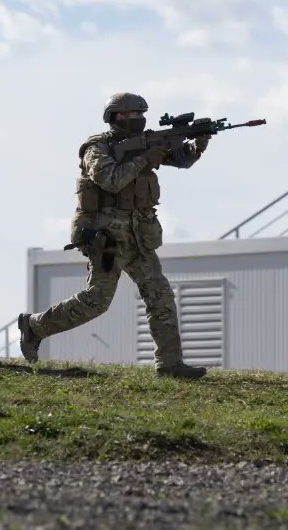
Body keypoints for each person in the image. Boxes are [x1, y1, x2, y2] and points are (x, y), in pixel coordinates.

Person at [18, 93, 210, 379]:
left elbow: (182, 160)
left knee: (161, 297)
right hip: (106, 238)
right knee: (97, 300)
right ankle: (34, 326)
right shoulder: (97, 148)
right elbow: (110, 179)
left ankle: (169, 364)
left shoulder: (147, 142)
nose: (141, 119)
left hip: (138, 237)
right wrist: (147, 157)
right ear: (118, 115)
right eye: (136, 114)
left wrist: (198, 143)